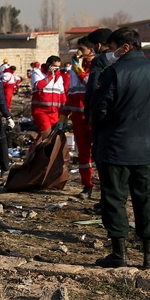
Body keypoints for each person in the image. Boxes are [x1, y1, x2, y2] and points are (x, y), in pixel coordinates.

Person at [88, 27, 150, 269]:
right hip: (146, 148)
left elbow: (98, 110)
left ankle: (119, 253)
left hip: (115, 147)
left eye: (112, 48)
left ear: (124, 47)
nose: (109, 53)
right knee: (146, 199)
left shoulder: (114, 73)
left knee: (114, 199)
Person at [62, 38, 97, 198]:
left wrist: (78, 70)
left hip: (95, 116)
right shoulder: (75, 68)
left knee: (101, 153)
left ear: (91, 49)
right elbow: (72, 93)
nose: (79, 52)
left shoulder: (99, 65)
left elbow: (91, 83)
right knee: (83, 154)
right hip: (78, 117)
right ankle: (87, 186)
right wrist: (63, 116)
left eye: (82, 48)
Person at [32, 55, 68, 136]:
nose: (56, 69)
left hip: (54, 112)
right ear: (48, 65)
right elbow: (39, 86)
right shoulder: (37, 73)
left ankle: (41, 148)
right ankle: (36, 148)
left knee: (54, 135)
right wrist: (50, 76)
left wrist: (65, 111)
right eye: (54, 66)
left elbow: (62, 95)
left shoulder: (59, 77)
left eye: (58, 67)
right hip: (40, 111)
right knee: (46, 134)